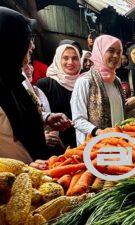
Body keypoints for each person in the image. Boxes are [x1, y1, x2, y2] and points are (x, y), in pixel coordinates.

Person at [0, 7, 72, 162]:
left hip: (38, 173)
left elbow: (22, 117)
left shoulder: (18, 77)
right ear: (9, 43)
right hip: (12, 181)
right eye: (26, 38)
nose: (32, 46)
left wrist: (45, 118)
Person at [71, 35, 126, 145]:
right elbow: (77, 120)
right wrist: (98, 132)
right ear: (99, 51)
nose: (115, 56)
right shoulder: (85, 81)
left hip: (118, 143)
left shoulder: (116, 81)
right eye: (110, 51)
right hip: (93, 148)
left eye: (119, 52)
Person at [37, 44, 82, 148]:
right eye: (65, 58)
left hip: (82, 141)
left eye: (75, 58)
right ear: (57, 59)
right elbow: (39, 113)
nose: (70, 62)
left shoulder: (84, 83)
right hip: (55, 144)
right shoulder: (45, 84)